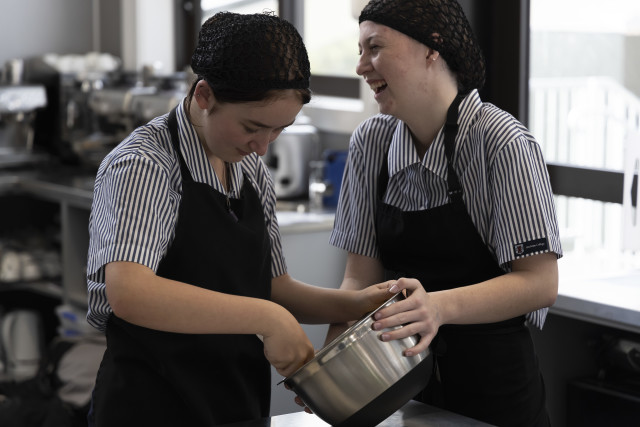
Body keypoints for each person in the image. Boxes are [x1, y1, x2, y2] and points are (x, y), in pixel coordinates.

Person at [84, 11, 391, 427]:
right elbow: (130, 292)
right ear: (205, 95)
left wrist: (359, 303)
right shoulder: (144, 165)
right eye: (252, 126)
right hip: (151, 406)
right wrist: (268, 318)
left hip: (237, 404)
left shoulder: (250, 170)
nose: (263, 147)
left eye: (279, 130)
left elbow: (273, 286)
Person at [325, 1, 563, 426]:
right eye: (360, 51)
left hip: (497, 393)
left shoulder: (500, 141)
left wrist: (436, 307)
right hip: (403, 386)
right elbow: (360, 281)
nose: (361, 66)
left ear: (432, 47)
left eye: (374, 47)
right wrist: (332, 369)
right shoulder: (370, 142)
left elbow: (539, 284)